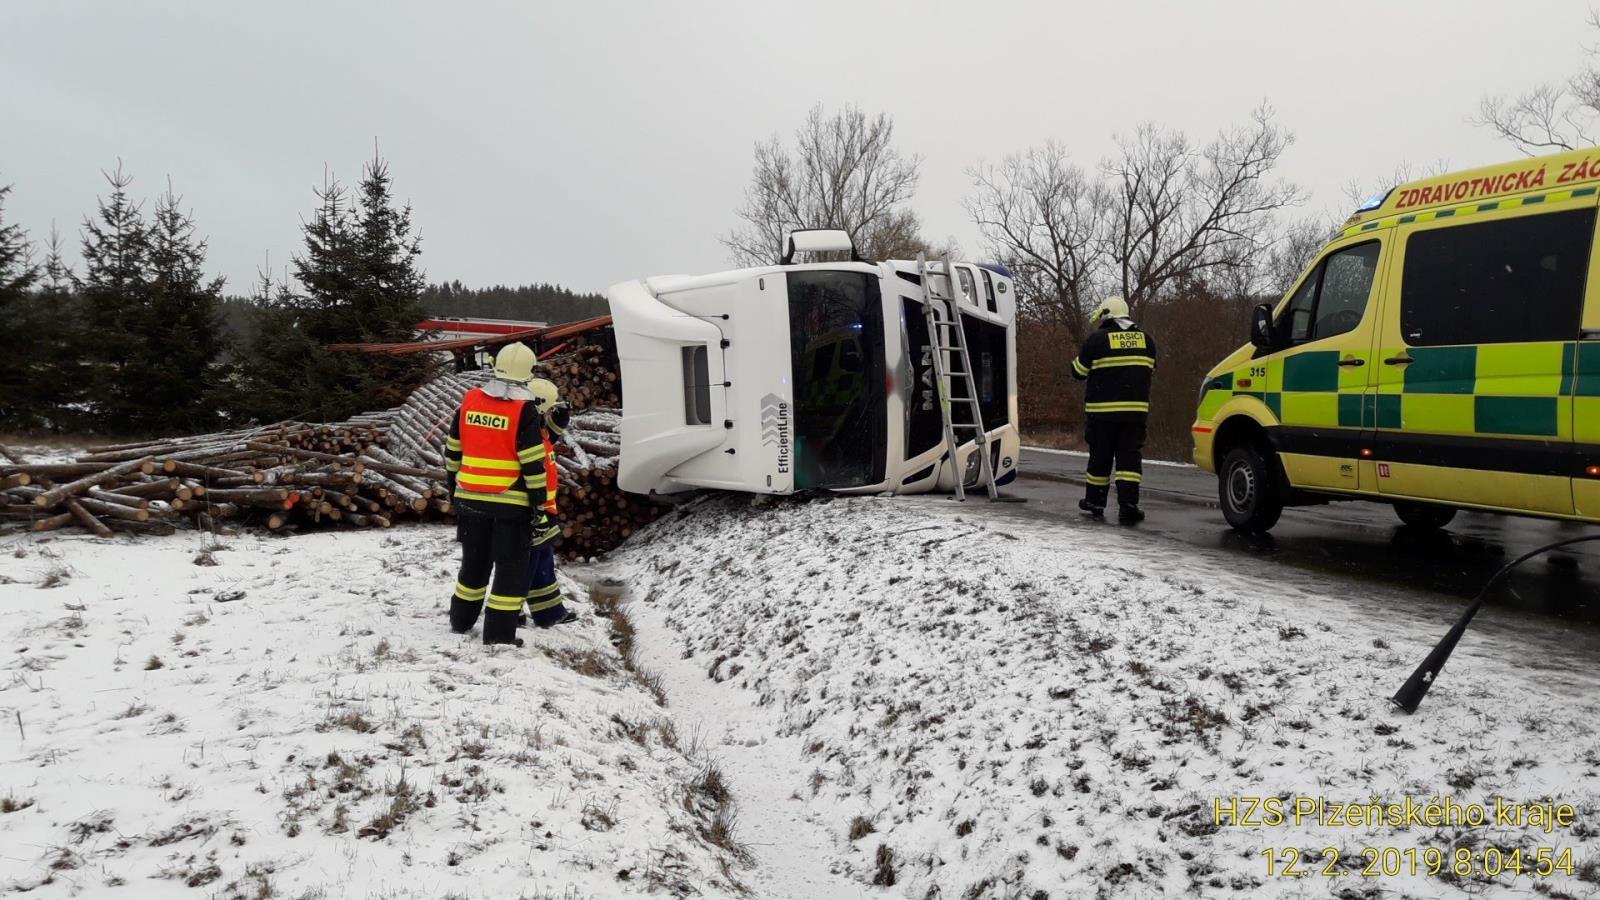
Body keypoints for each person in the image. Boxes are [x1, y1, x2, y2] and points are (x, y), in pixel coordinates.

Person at [444, 342, 549, 646]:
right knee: (510, 569)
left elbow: (453, 449)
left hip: (469, 499)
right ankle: (498, 635)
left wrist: (453, 487)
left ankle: (460, 621)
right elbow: (533, 462)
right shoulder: (524, 409)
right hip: (511, 505)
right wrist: (539, 503)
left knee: (474, 564)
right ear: (528, 373)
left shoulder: (470, 399)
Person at [1071, 296, 1157, 524]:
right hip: (1135, 413)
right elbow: (1150, 370)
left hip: (1102, 413)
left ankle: (1095, 502)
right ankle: (1128, 506)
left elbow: (1078, 372)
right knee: (1129, 460)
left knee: (1100, 457)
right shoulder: (1147, 340)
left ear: (1106, 315)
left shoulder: (1097, 340)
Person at [523, 378, 578, 628]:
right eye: (550, 410)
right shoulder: (528, 435)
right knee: (529, 564)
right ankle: (512, 611)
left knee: (541, 563)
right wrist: (538, 512)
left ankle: (548, 612)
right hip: (533, 511)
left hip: (544, 509)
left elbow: (552, 433)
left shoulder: (538, 430)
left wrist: (562, 414)